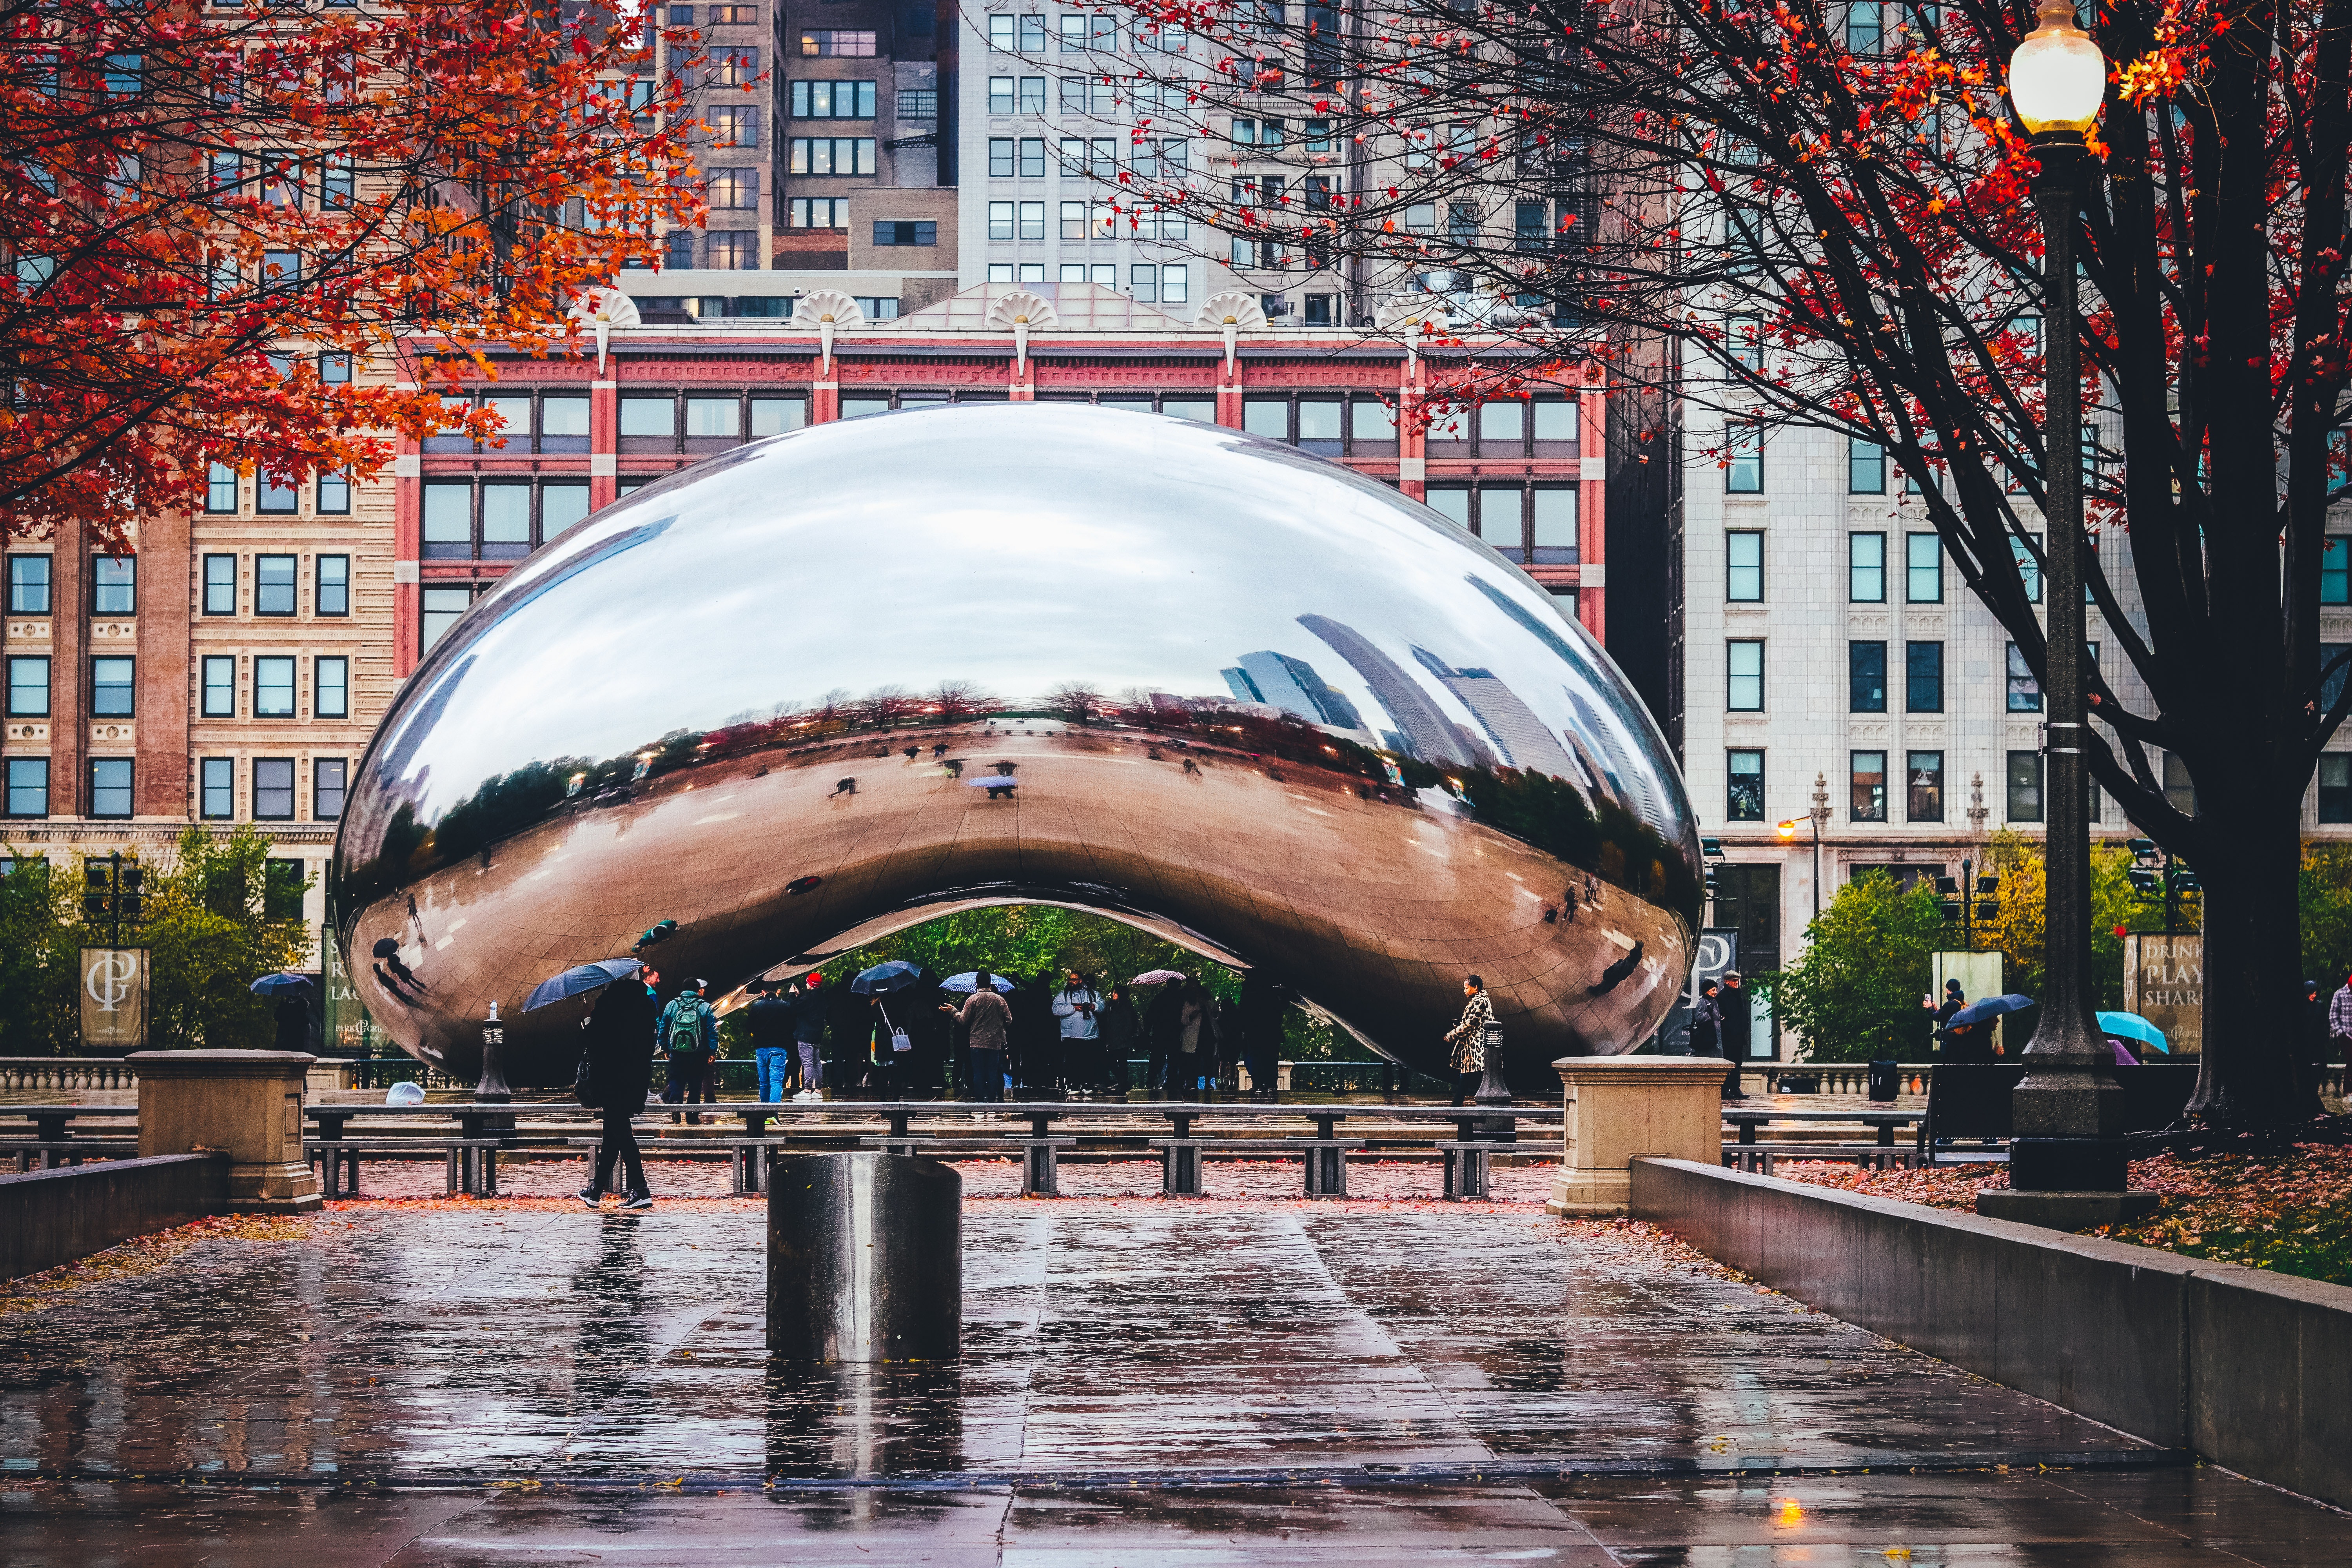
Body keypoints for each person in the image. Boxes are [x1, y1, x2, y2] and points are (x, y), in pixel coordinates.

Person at [578, 978, 655, 1210]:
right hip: (634, 1080)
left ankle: (641, 1189)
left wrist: (587, 1019)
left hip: (612, 1081)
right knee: (612, 1136)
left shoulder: (609, 1006)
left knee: (621, 1134)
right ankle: (596, 1191)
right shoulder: (645, 1007)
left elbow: (596, 1043)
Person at [946, 971, 1013, 1102]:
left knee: (978, 1073)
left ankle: (980, 1100)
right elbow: (1009, 1020)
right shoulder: (1000, 1000)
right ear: (990, 983)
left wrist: (953, 1010)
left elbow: (963, 1019)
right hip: (994, 1043)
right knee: (993, 1073)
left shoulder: (972, 1000)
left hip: (976, 1043)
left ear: (977, 983)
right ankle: (992, 1101)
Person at [657, 978, 716, 1125]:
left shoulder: (673, 1005)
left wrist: (665, 1048)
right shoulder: (704, 1006)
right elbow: (712, 1032)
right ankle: (692, 1116)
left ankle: (676, 1103)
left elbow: (663, 1027)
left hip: (676, 1052)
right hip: (698, 1053)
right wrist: (712, 1051)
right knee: (695, 1084)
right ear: (698, 990)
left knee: (676, 1079)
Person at [1444, 974, 1495, 1107]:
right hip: (1474, 1046)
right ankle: (1458, 1106)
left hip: (1476, 1046)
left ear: (1475, 988)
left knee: (1469, 1076)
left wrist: (1452, 1035)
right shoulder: (1481, 1000)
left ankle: (1457, 1107)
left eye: (1467, 988)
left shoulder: (1480, 1002)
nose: (1465, 991)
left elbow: (1470, 1024)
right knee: (1470, 1076)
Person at [1051, 971, 1103, 1096]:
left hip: (1090, 1035)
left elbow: (1102, 1006)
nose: (1071, 982)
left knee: (1088, 1062)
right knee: (1071, 1062)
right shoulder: (1063, 996)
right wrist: (1073, 1008)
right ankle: (1072, 1085)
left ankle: (1087, 1085)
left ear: (1081, 981)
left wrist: (1093, 1006)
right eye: (1070, 979)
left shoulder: (1092, 994)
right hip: (1070, 1035)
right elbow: (1055, 1010)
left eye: (1074, 980)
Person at [1238, 969, 1286, 1102]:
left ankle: (1258, 1084)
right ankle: (1271, 1085)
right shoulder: (1272, 994)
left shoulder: (1248, 995)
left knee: (1257, 1058)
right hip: (1271, 1032)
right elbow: (1283, 1007)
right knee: (1271, 1059)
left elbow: (1243, 1014)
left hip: (1254, 1032)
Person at [747, 981, 796, 1104]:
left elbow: (749, 1027)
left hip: (761, 1048)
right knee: (776, 1082)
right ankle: (773, 1113)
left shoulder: (756, 1007)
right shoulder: (785, 1006)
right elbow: (793, 1026)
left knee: (764, 1082)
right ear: (777, 992)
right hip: (779, 1047)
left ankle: (764, 1111)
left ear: (763, 992)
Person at [1175, 977, 1220, 1098]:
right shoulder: (1187, 1003)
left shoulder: (1207, 1000)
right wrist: (1192, 1017)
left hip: (1207, 1035)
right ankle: (1191, 1082)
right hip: (1193, 1035)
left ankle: (1207, 1082)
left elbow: (1215, 1012)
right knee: (1192, 1060)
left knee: (1208, 1060)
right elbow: (1184, 1020)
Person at [1144, 979, 1186, 1098]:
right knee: (1173, 1059)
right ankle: (1171, 1082)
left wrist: (1148, 1032)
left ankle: (1151, 1080)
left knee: (1157, 1057)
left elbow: (1150, 1016)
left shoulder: (1159, 998)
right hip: (1173, 1033)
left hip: (1160, 1033)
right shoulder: (1179, 999)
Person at [790, 976, 829, 1102]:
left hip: (805, 1035)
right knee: (817, 1063)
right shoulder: (822, 998)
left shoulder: (809, 998)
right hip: (817, 1035)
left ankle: (807, 1090)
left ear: (810, 984)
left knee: (807, 1062)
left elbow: (794, 1008)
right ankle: (818, 1090)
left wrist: (792, 995)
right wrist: (800, 996)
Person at [1097, 983, 1138, 1100]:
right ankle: (1123, 1082)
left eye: (1116, 993)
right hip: (1114, 1039)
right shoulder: (1112, 1006)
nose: (1113, 995)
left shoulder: (1125, 1007)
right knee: (1115, 1062)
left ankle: (1123, 1083)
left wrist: (1125, 1037)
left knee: (1119, 1062)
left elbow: (1128, 1024)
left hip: (1121, 1040)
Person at [1688, 980, 1723, 1059]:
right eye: (1713, 990)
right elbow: (1699, 1017)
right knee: (1707, 1058)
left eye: (1716, 990)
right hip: (1707, 1037)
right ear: (1707, 991)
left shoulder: (1712, 1001)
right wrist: (1711, 1019)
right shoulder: (1703, 1002)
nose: (1716, 992)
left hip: (1712, 1037)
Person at [273, 990, 311, 1054]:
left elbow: (277, 1017)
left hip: (283, 1046)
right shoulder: (302, 1015)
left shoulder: (285, 1009)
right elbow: (307, 1036)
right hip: (297, 1048)